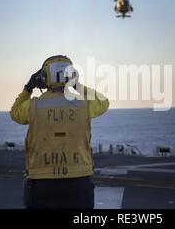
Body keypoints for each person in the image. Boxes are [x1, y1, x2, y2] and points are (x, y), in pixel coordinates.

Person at [10, 55, 109, 209]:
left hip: (42, 183)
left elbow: (15, 113)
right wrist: (77, 86)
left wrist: (28, 88)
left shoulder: (33, 106)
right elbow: (103, 102)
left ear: (43, 78)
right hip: (79, 181)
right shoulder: (83, 104)